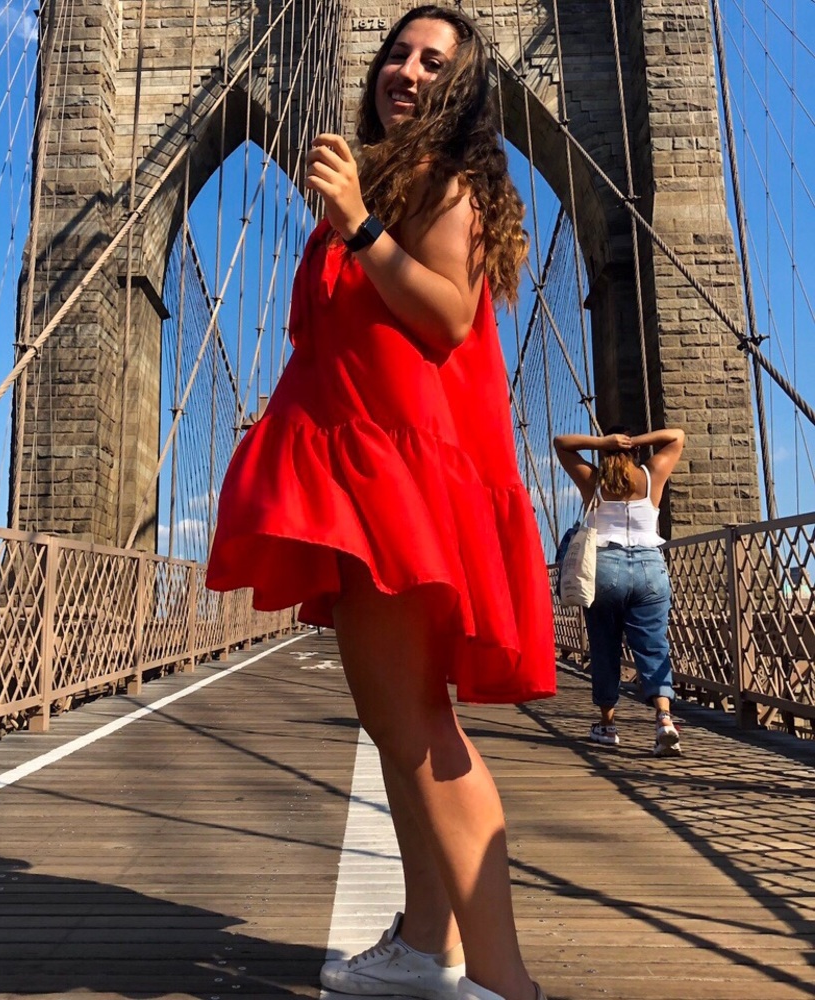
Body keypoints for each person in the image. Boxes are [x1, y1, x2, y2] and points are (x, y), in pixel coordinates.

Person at [206, 7, 556, 1000]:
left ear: (462, 92)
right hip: (358, 480)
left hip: (397, 488)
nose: (404, 69)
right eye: (397, 53)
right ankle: (422, 942)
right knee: (402, 724)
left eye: (431, 61)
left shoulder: (438, 186)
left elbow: (447, 317)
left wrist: (357, 222)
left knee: (419, 733)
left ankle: (504, 982)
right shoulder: (387, 180)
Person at [553, 426, 686, 756]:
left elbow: (561, 443)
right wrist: (633, 442)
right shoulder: (651, 474)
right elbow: (677, 436)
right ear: (633, 453)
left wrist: (605, 443)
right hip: (649, 568)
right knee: (654, 646)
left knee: (604, 647)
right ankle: (664, 720)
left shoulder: (593, 481)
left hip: (604, 568)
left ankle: (608, 726)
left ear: (604, 452)